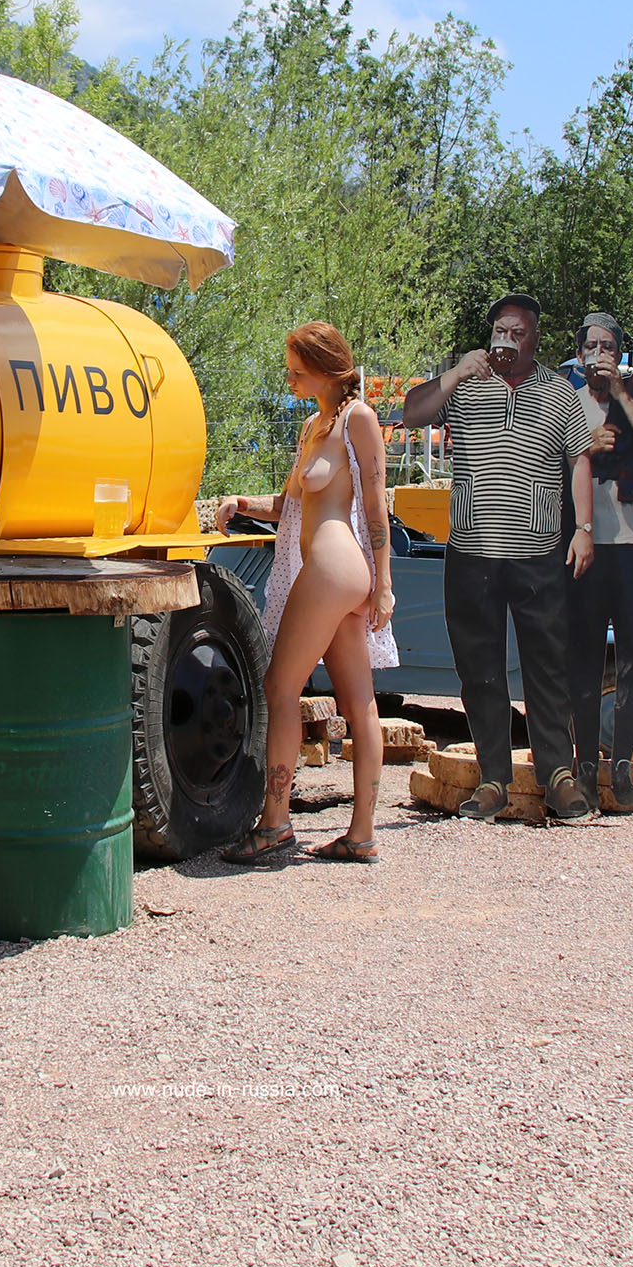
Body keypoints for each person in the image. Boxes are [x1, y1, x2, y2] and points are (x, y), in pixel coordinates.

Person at [401, 294, 593, 822]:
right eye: (500, 330)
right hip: (472, 551)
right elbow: (410, 414)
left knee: (546, 665)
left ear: (535, 339)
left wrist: (584, 529)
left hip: (538, 551)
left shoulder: (559, 392)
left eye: (518, 332)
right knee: (480, 670)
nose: (507, 340)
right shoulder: (465, 385)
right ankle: (493, 780)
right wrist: (455, 373)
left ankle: (558, 776)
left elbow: (580, 460)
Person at [218, 322, 397, 864]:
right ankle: (360, 835)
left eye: (297, 369)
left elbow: (376, 504)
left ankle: (275, 823)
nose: (290, 378)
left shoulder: (357, 418)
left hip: (334, 568)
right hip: (332, 572)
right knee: (358, 701)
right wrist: (243, 504)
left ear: (325, 368)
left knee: (279, 687)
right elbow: (289, 504)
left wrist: (385, 586)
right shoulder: (312, 427)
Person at [565, 312, 633, 813]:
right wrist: (585, 445)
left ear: (619, 355)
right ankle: (586, 766)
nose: (599, 355)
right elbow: (545, 461)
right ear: (579, 354)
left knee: (632, 659)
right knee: (585, 661)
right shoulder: (566, 403)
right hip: (584, 546)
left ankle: (624, 766)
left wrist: (623, 395)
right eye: (591, 346)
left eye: (608, 347)